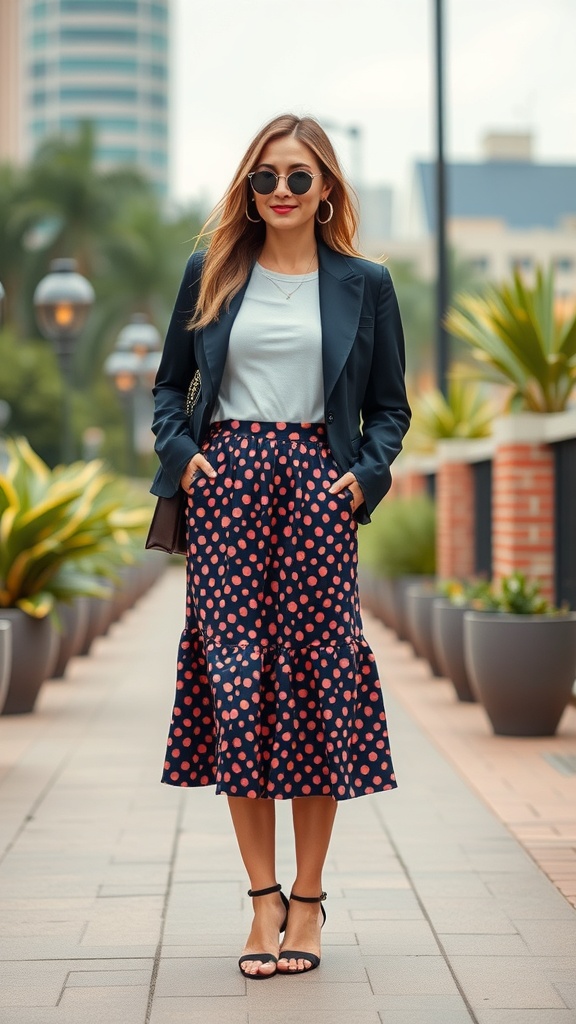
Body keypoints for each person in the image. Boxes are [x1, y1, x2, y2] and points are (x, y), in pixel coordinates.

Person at [151, 113, 411, 980]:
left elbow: (390, 407)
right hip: (227, 488)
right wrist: (187, 461)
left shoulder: (365, 284)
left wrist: (364, 479)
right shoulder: (212, 272)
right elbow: (168, 389)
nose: (283, 192)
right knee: (238, 684)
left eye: (300, 177)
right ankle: (260, 903)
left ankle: (308, 900)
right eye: (266, 178)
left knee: (315, 682)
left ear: (327, 186)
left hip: (315, 487)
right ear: (248, 189)